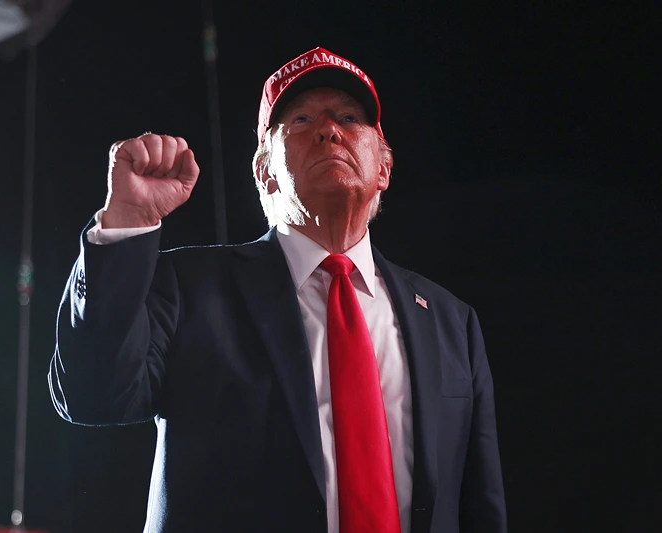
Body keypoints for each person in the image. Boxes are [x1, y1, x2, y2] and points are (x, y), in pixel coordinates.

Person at [49, 47, 507, 533]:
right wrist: (127, 223)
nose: (330, 130)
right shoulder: (188, 288)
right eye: (302, 119)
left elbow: (479, 505)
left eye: (350, 118)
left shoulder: (451, 321)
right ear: (265, 172)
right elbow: (93, 395)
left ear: (384, 169)